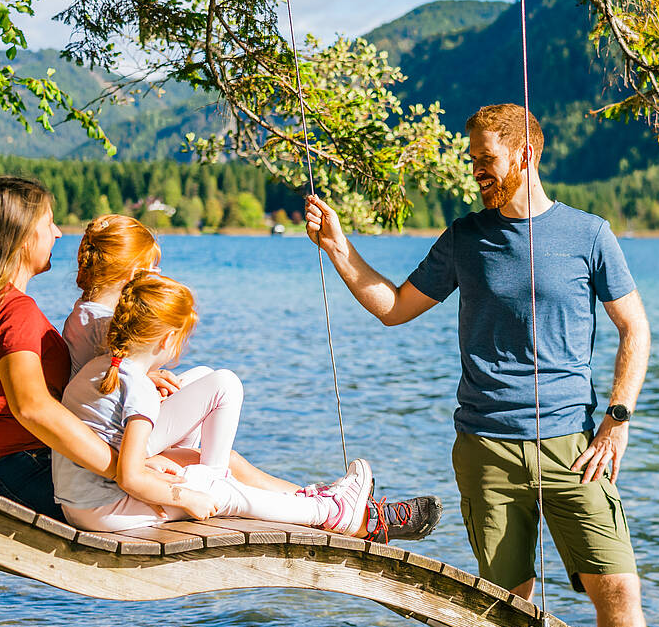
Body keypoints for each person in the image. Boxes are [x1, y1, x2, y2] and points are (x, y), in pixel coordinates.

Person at [305, 104, 654, 627]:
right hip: (485, 449)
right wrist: (338, 246)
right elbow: (393, 307)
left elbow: (636, 328)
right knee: (506, 608)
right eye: (472, 161)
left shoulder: (589, 234)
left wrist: (617, 420)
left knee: (619, 592)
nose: (476, 171)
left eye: (486, 159)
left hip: (576, 449)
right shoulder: (465, 238)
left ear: (526, 154)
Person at [65, 213, 441, 541]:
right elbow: (118, 425)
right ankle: (338, 512)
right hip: (112, 467)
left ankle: (332, 505)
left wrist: (151, 375)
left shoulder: (96, 326)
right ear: (133, 275)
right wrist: (180, 485)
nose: (159, 275)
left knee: (206, 389)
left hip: (107, 460)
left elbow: (111, 390)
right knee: (224, 399)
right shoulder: (101, 326)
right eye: (153, 269)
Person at [0, 176, 178, 519]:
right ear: (22, 236)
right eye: (49, 223)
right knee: (191, 482)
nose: (58, 233)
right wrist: (123, 470)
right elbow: (33, 408)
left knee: (181, 470)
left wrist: (128, 375)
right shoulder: (14, 311)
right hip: (13, 471)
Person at [53, 273, 376, 533]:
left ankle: (222, 480)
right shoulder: (140, 392)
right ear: (167, 339)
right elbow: (129, 478)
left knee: (205, 378)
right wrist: (187, 498)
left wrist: (153, 470)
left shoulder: (100, 368)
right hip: (106, 511)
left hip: (79, 504)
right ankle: (329, 511)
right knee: (223, 493)